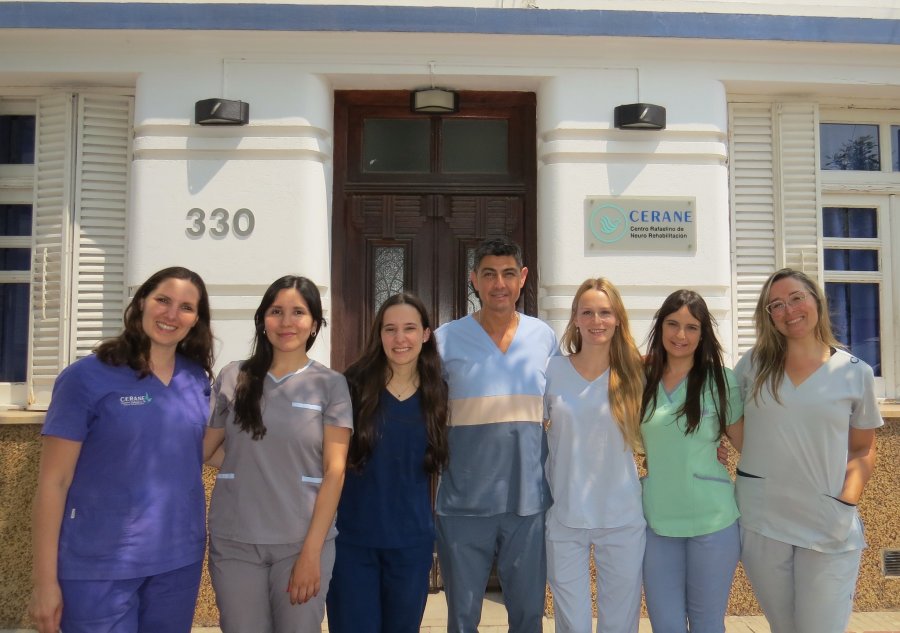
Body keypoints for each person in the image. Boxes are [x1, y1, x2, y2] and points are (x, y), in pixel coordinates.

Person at [28, 266, 215, 633]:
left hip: (177, 562)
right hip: (98, 567)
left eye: (186, 307)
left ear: (196, 320)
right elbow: (54, 482)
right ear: (141, 301)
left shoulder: (196, 380)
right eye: (163, 300)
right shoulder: (85, 378)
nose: (171, 314)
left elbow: (196, 451)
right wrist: (44, 583)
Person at [734, 268, 882, 633]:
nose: (789, 310)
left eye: (797, 298)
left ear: (817, 300)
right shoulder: (752, 366)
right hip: (763, 520)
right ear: (768, 316)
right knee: (783, 627)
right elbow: (725, 421)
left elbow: (863, 449)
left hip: (827, 522)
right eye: (776, 305)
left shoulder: (854, 372)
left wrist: (845, 502)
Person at [203, 275, 352, 633]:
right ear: (262, 319)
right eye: (276, 311)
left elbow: (335, 471)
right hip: (235, 541)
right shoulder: (233, 376)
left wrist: (311, 553)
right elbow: (204, 450)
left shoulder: (330, 384)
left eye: (298, 312)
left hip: (300, 542)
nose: (286, 322)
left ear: (314, 323)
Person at [434, 236, 557, 633]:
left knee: (527, 617)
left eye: (508, 274)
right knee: (463, 619)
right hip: (462, 502)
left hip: (527, 502)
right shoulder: (444, 339)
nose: (499, 283)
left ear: (522, 278)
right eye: (489, 274)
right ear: (474, 279)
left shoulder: (544, 338)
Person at [326, 292, 449, 633]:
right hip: (352, 542)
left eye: (410, 328)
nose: (400, 339)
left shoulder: (439, 392)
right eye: (390, 329)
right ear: (379, 334)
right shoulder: (351, 386)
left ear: (425, 334)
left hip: (412, 544)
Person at [543, 278, 645, 633]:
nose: (596, 320)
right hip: (565, 516)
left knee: (619, 624)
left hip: (622, 518)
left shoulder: (636, 374)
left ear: (618, 319)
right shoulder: (551, 372)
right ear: (574, 318)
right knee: (572, 625)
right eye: (587, 312)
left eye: (605, 312)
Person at [639, 289, 744, 633]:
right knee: (665, 624)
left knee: (707, 624)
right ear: (660, 326)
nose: (680, 335)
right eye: (672, 324)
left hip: (713, 522)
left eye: (692, 327)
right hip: (657, 521)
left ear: (703, 334)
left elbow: (749, 445)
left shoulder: (721, 381)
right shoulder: (642, 380)